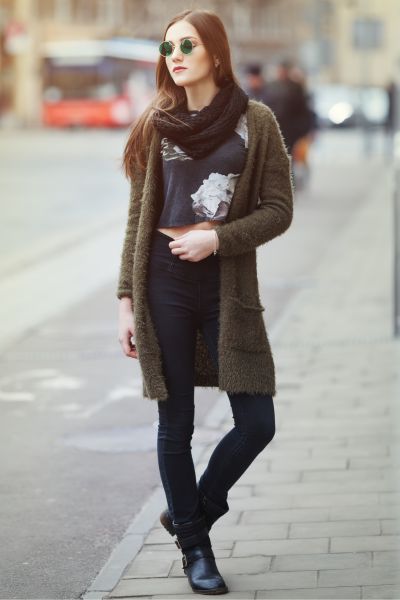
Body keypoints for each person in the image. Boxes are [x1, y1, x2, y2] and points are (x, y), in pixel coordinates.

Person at [117, 8, 293, 595]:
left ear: (215, 53)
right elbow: (137, 219)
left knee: (256, 421)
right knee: (176, 423)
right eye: (168, 47)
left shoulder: (256, 121)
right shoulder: (155, 125)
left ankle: (194, 512)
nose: (176, 55)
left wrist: (219, 238)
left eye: (188, 45)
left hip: (226, 286)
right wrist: (125, 300)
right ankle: (197, 551)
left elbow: (278, 209)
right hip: (162, 282)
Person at [265, 59, 314, 155]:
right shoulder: (271, 86)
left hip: (291, 129)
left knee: (289, 156)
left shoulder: (295, 87)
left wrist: (303, 129)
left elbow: (303, 110)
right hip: (274, 128)